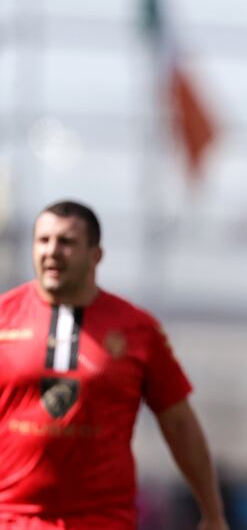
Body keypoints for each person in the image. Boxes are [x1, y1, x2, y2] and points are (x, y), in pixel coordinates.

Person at [0, 200, 228, 530]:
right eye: (43, 240)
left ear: (96, 255)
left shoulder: (137, 330)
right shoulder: (4, 317)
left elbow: (179, 425)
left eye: (66, 242)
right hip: (11, 519)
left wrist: (213, 514)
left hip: (103, 521)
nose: (52, 251)